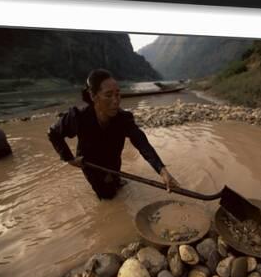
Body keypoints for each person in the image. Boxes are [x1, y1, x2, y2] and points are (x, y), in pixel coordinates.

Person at [48, 68, 178, 200]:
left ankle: (116, 181)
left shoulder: (123, 118)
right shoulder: (78, 117)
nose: (116, 101)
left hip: (113, 160)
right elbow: (53, 133)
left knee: (116, 182)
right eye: (109, 95)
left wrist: (162, 172)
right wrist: (70, 159)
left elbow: (141, 142)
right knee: (108, 196)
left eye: (117, 94)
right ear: (93, 96)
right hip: (91, 165)